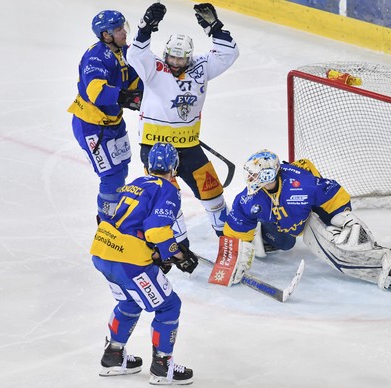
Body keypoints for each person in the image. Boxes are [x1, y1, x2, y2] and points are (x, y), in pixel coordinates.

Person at [222, 150, 391, 291]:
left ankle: (386, 269)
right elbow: (236, 228)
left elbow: (333, 193)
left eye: (255, 174)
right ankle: (262, 234)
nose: (250, 178)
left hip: (307, 215)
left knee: (339, 247)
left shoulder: (302, 185)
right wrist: (232, 261)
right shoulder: (248, 198)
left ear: (269, 174)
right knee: (286, 243)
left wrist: (343, 219)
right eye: (250, 173)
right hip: (283, 224)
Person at [127, 2, 239, 238]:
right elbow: (135, 53)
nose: (175, 63)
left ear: (189, 57)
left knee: (213, 191)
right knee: (166, 197)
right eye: (172, 57)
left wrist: (215, 28)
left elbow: (230, 53)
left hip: (189, 146)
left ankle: (227, 238)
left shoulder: (200, 66)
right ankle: (178, 243)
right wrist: (145, 28)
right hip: (155, 147)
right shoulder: (154, 67)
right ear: (165, 53)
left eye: (181, 59)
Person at [90, 142, 196, 385]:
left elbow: (124, 222)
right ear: (174, 167)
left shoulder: (136, 183)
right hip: (128, 261)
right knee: (169, 306)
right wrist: (179, 256)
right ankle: (162, 368)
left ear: (148, 166)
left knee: (129, 301)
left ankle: (114, 357)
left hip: (103, 251)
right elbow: (156, 231)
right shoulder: (168, 189)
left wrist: (159, 256)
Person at [68, 10, 143, 221]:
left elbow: (136, 80)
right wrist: (124, 97)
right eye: (118, 29)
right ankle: (107, 225)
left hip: (114, 122)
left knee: (122, 169)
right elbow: (96, 91)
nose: (124, 32)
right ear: (106, 35)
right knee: (111, 176)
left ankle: (114, 215)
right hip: (92, 126)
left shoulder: (124, 52)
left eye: (123, 27)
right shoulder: (96, 56)